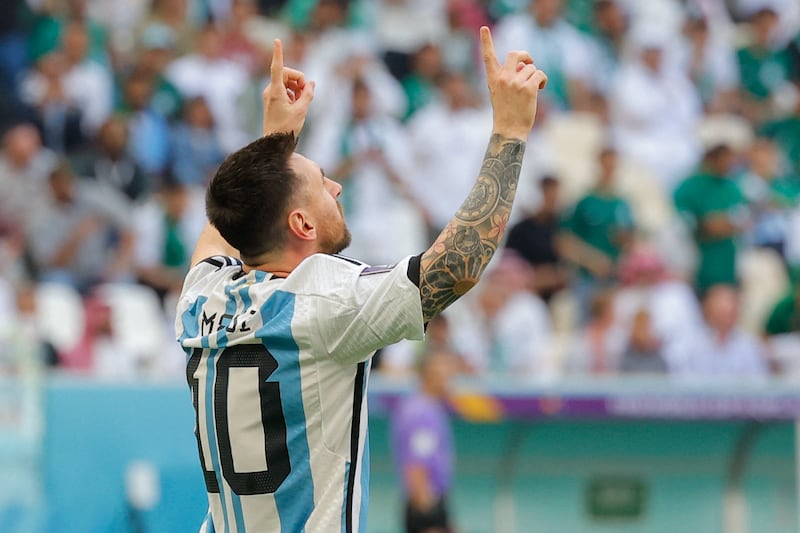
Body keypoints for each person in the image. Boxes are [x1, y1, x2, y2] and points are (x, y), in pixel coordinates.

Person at [175, 28, 547, 532]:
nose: (337, 184)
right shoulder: (322, 301)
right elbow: (458, 262)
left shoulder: (202, 295)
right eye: (321, 184)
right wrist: (510, 129)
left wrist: (275, 141)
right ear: (302, 225)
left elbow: (227, 221)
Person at [390, 350, 456, 533]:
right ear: (429, 372)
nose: (449, 374)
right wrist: (429, 516)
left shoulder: (429, 408)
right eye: (444, 368)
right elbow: (416, 466)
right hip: (427, 507)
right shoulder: (422, 412)